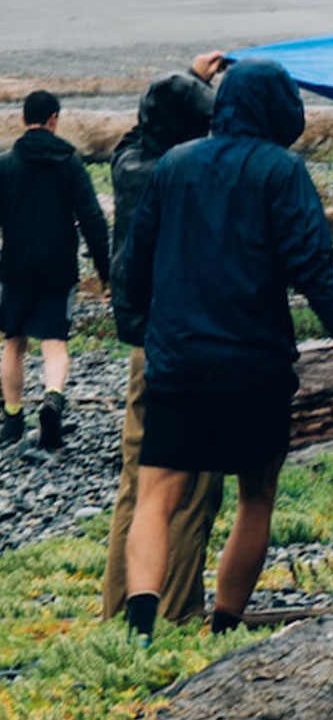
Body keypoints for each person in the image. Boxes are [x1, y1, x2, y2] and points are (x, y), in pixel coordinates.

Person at [122, 57, 333, 639]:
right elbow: (314, 269)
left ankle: (140, 630)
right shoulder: (281, 170)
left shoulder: (174, 164)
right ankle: (224, 626)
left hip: (180, 361)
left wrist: (145, 330)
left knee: (156, 496)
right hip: (255, 364)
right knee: (256, 496)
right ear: (278, 107)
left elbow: (135, 262)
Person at [101, 52, 228, 624]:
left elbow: (142, 128)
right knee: (189, 486)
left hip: (142, 344)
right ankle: (173, 614)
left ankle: (117, 612)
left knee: (138, 484)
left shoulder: (128, 164)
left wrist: (190, 80)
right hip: (187, 342)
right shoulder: (187, 176)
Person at [0, 89, 111, 450]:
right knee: (55, 344)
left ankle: (13, 418)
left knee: (13, 343)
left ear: (22, 119)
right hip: (58, 268)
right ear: (54, 120)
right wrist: (105, 270)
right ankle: (52, 400)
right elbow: (93, 219)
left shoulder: (6, 164)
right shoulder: (69, 163)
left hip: (15, 266)